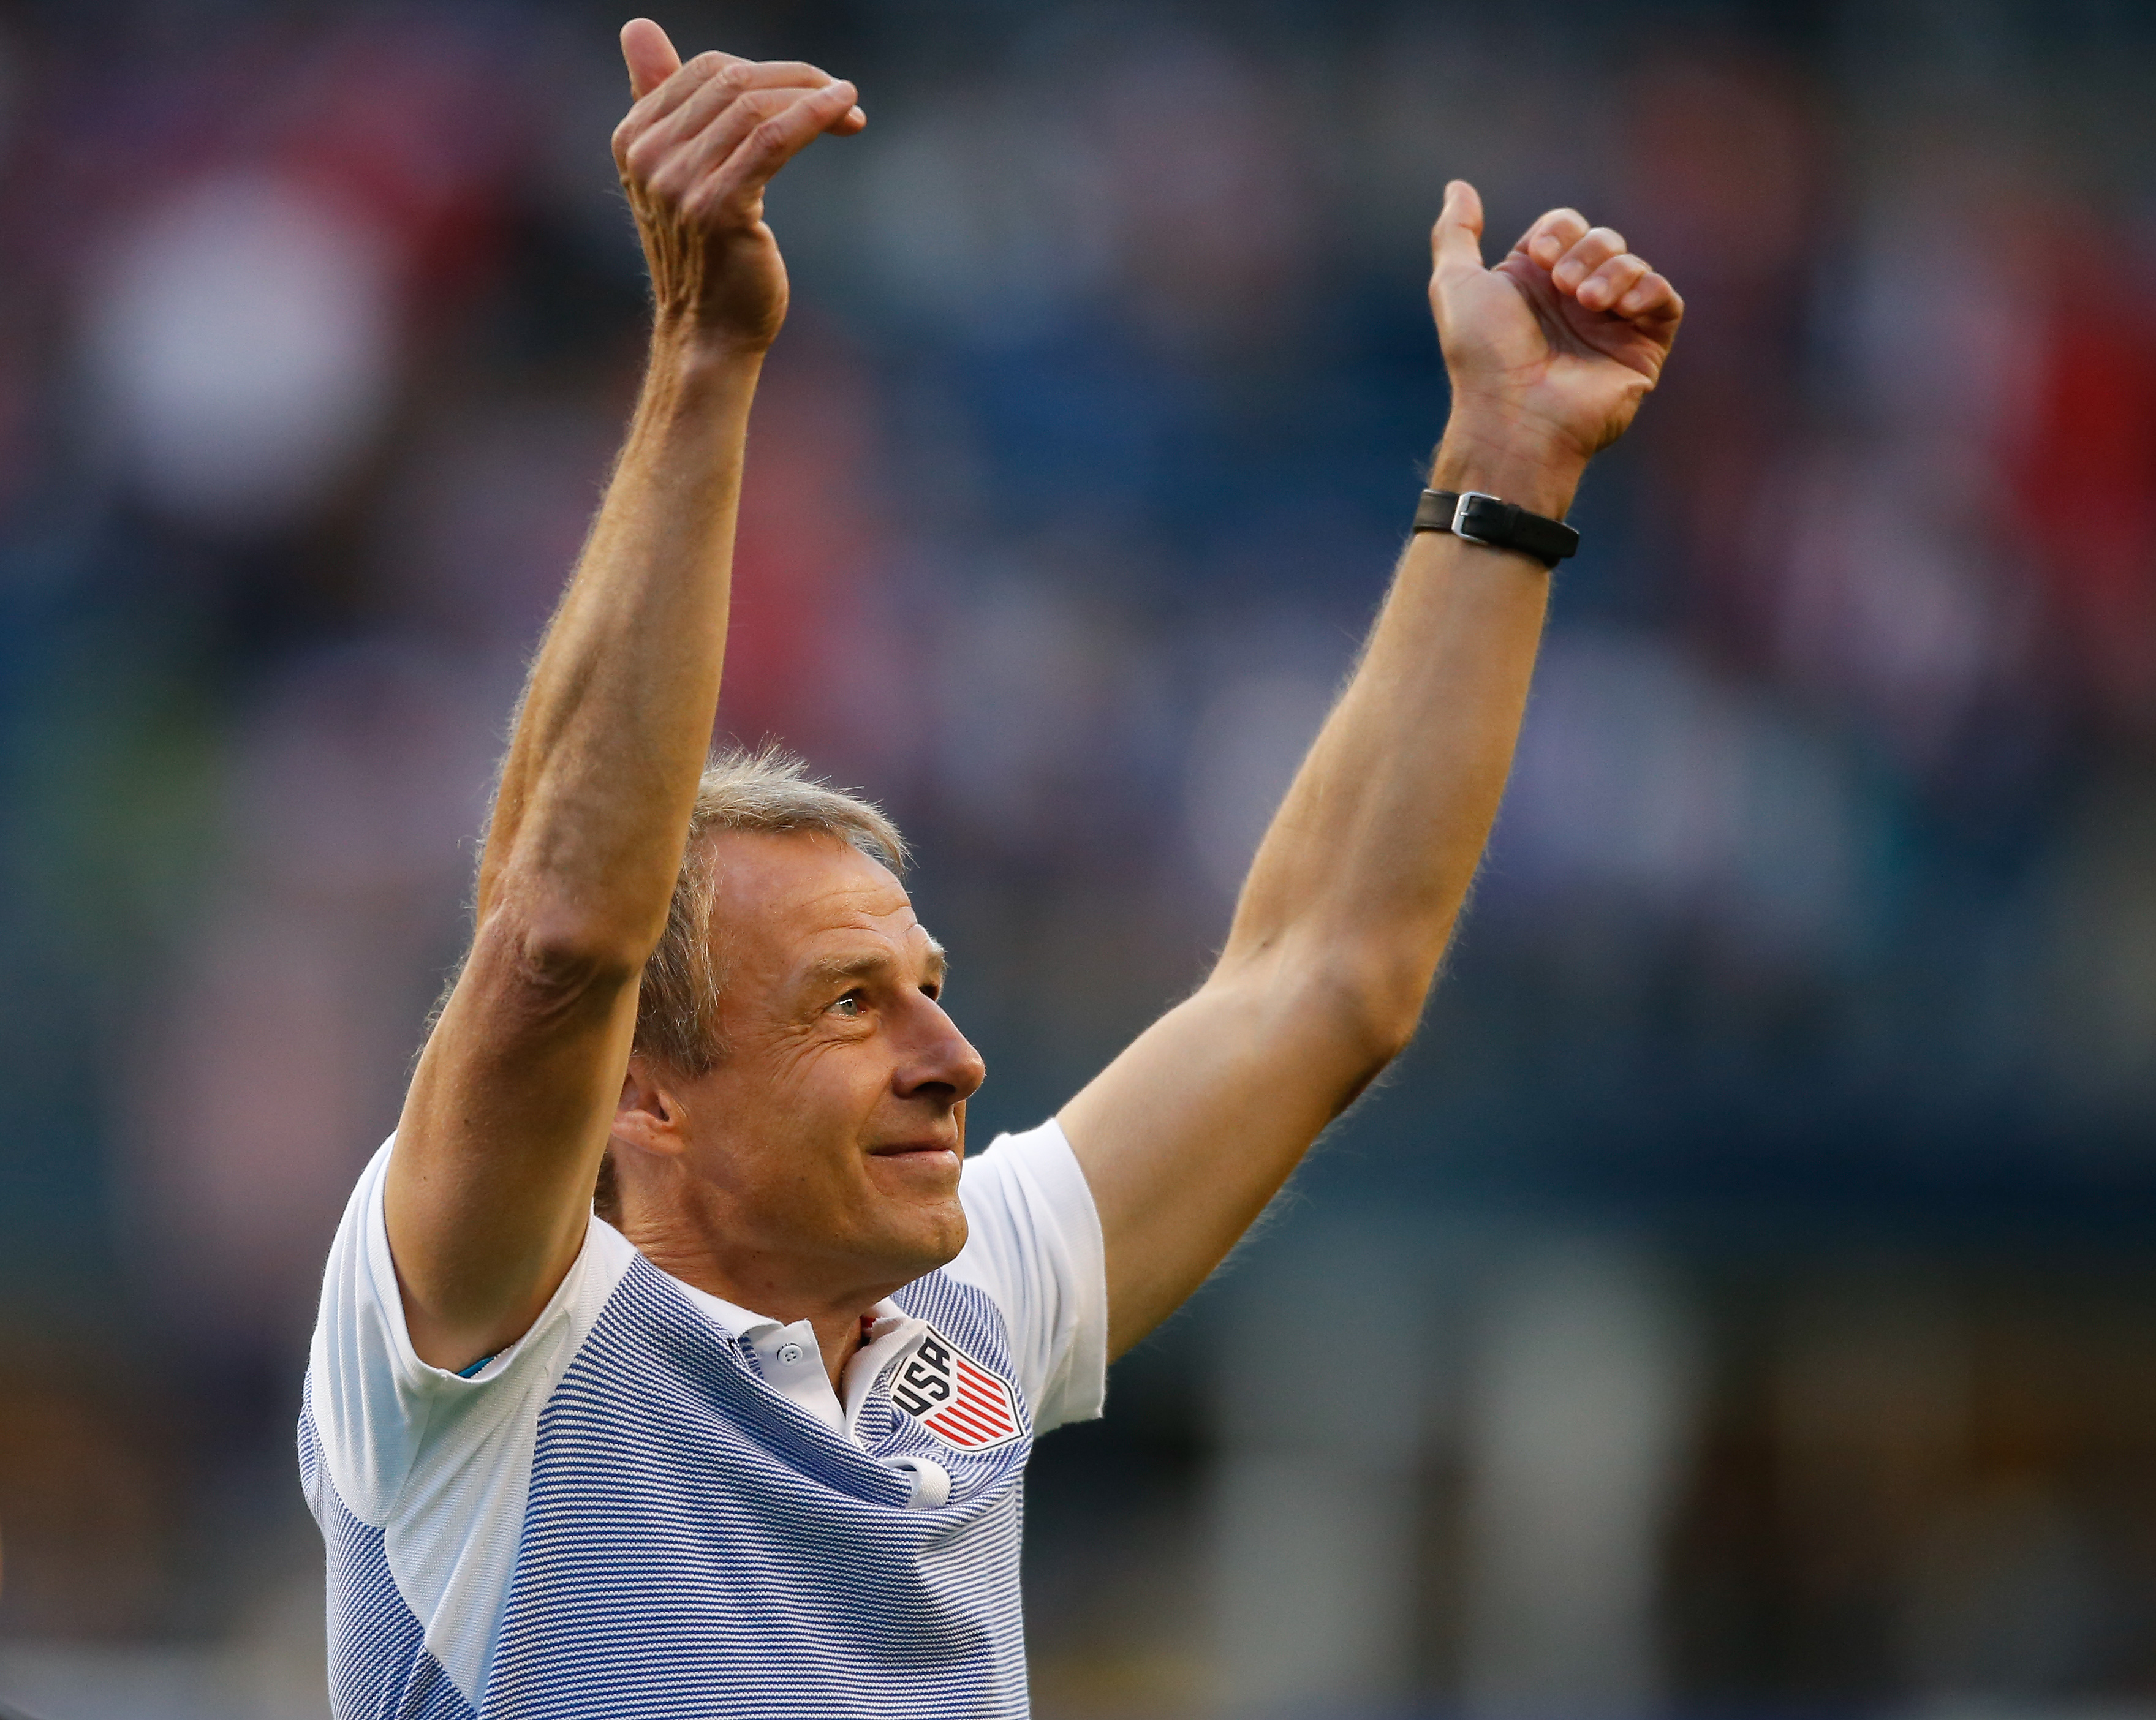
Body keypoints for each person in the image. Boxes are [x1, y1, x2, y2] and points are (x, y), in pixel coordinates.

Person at [300, 16, 1682, 1719]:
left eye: (931, 992)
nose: (951, 1062)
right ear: (644, 1098)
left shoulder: (962, 1317)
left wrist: (1508, 466)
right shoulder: (478, 1344)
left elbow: (1324, 978)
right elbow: (557, 940)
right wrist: (705, 357)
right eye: (849, 1004)